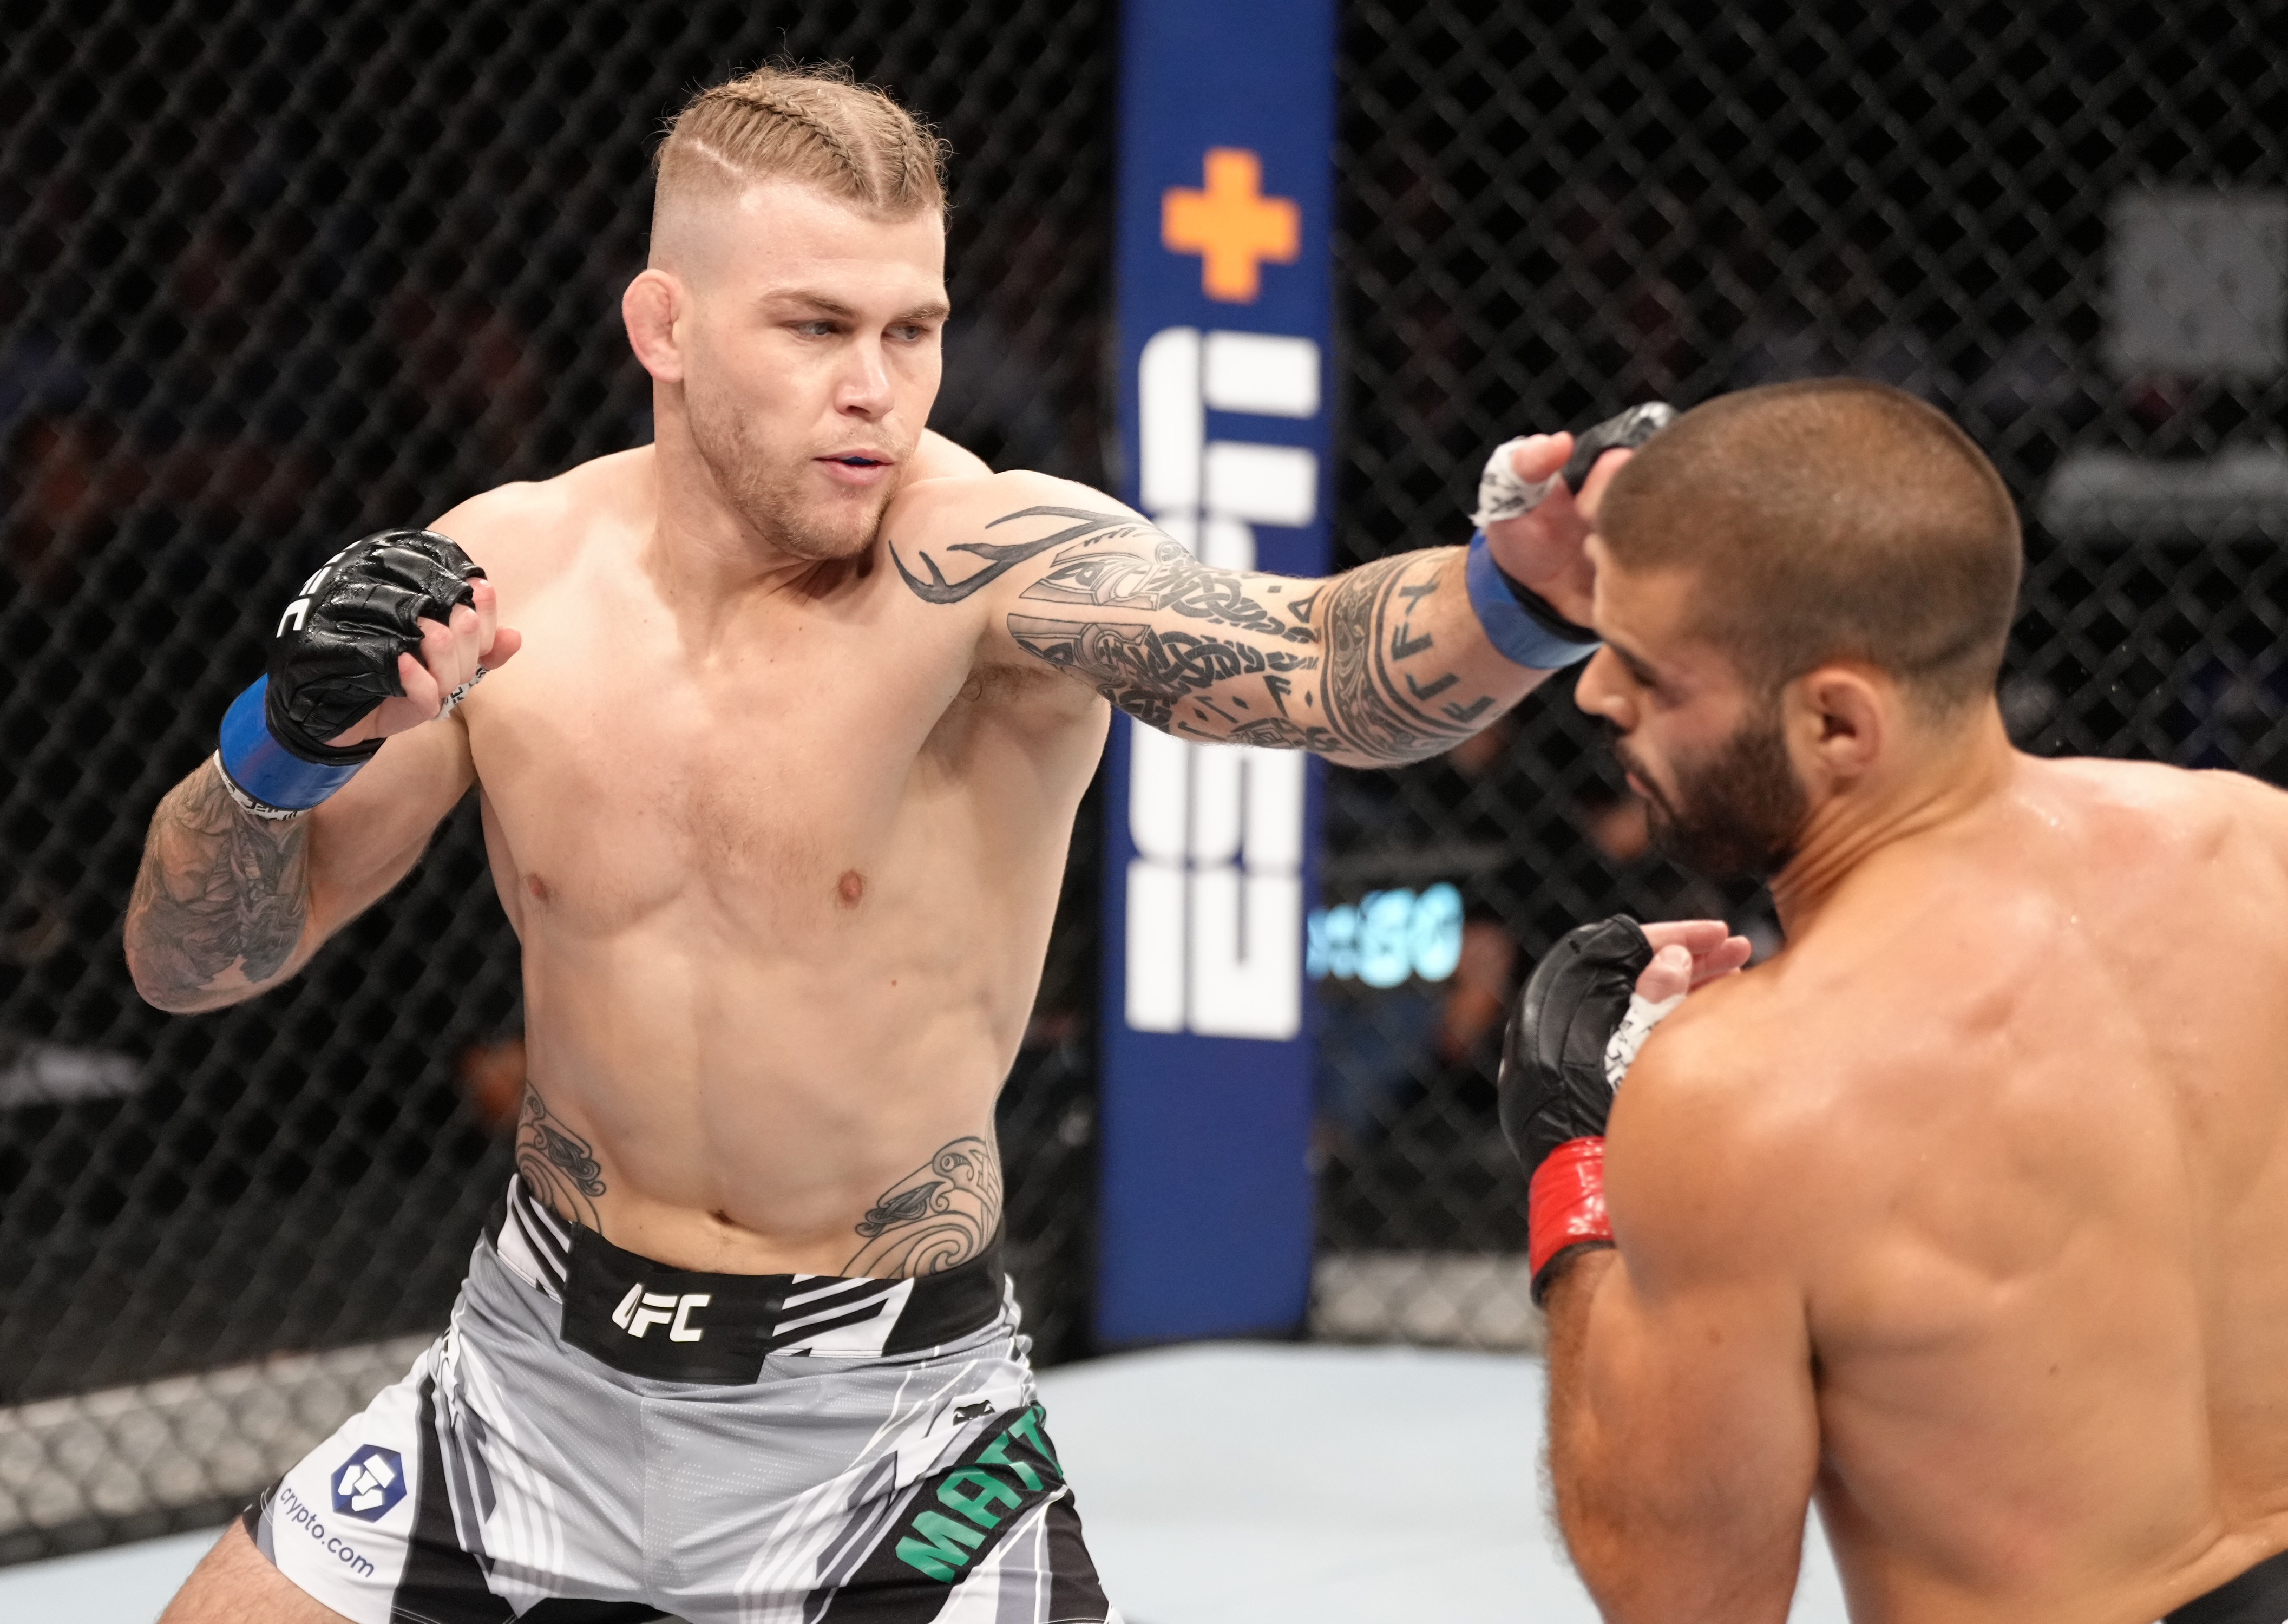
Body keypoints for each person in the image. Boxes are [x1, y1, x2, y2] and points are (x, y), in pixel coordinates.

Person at [128, 64, 1644, 1624]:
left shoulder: (988, 566)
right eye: (814, 328)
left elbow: (1323, 667)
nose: (879, 387)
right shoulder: (506, 574)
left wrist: (1521, 589)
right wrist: (278, 752)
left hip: (880, 1436)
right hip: (527, 1390)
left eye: (909, 330)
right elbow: (193, 964)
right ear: (664, 328)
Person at [1500, 377, 2288, 1624]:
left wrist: (1572, 1158)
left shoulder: (1745, 1089)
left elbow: (1681, 1595)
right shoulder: (2253, 844)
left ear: (1833, 724)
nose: (1597, 696)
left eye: (1647, 672)